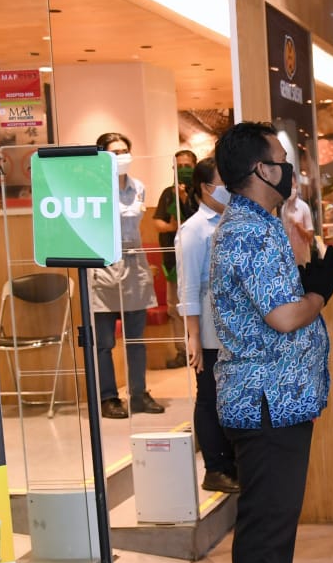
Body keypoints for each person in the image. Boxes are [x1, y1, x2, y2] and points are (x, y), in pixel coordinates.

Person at [210, 121, 333, 563]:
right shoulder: (250, 231)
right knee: (267, 518)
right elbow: (285, 315)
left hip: (279, 395)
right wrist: (319, 289)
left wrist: (308, 274)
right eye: (282, 159)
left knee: (278, 512)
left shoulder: (257, 224)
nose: (288, 167)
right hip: (266, 399)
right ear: (262, 170)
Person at [91, 132, 165, 419]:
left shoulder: (139, 187)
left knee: (136, 339)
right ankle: (108, 397)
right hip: (103, 265)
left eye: (125, 150)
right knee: (104, 342)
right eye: (115, 151)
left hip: (134, 265)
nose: (122, 156)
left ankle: (138, 394)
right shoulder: (94, 189)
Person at [175, 157, 238, 494]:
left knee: (231, 395)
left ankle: (233, 462)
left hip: (236, 327)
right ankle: (215, 467)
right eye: (221, 182)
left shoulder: (232, 221)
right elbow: (187, 288)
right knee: (210, 397)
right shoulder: (194, 230)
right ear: (204, 188)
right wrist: (194, 337)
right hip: (211, 328)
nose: (227, 189)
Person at [153, 149, 198, 369]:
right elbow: (157, 223)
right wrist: (171, 226)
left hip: (197, 260)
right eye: (179, 166)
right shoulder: (167, 193)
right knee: (175, 307)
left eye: (187, 166)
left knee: (196, 304)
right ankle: (183, 350)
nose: (183, 170)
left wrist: (185, 199)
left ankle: (199, 345)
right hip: (172, 261)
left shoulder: (202, 191)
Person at [281, 183, 315, 266]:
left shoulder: (304, 207)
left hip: (303, 261)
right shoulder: (283, 209)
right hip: (289, 261)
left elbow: (310, 236)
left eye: (291, 185)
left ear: (296, 185)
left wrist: (297, 224)